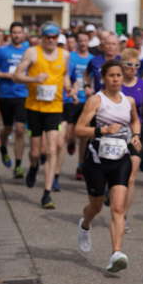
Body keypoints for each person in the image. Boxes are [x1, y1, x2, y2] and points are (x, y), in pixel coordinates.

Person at [75, 60, 141, 272]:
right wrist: (102, 131)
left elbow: (135, 120)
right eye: (111, 75)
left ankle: (116, 253)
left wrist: (136, 135)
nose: (115, 79)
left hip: (120, 157)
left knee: (118, 208)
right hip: (96, 159)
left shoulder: (128, 100)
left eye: (119, 75)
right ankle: (85, 224)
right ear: (104, 78)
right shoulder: (96, 100)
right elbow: (78, 129)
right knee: (95, 206)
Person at [14, 22, 72, 209]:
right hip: (34, 106)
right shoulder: (32, 52)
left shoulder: (65, 54)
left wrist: (70, 87)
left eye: (54, 37)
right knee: (35, 151)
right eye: (47, 36)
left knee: (52, 149)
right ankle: (32, 166)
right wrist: (33, 79)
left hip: (55, 107)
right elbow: (17, 75)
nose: (50, 40)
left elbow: (64, 76)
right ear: (42, 37)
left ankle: (47, 193)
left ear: (58, 38)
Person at [119, 48, 143, 225]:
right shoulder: (115, 83)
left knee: (131, 177)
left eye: (137, 65)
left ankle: (123, 216)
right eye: (129, 65)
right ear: (122, 65)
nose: (133, 68)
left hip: (136, 132)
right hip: (114, 133)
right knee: (114, 175)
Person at [0, 22, 28, 178]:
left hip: (22, 94)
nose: (17, 35)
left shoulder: (29, 51)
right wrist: (7, 75)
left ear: (23, 34)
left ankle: (18, 165)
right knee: (7, 128)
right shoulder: (1, 51)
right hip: (5, 94)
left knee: (20, 129)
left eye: (19, 32)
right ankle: (3, 147)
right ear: (10, 34)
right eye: (14, 32)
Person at [66, 31, 93, 180]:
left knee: (83, 135)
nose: (83, 43)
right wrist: (72, 91)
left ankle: (80, 165)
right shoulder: (71, 57)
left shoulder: (92, 59)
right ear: (77, 42)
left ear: (88, 42)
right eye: (80, 41)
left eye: (85, 41)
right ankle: (70, 142)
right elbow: (67, 77)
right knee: (70, 134)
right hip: (73, 98)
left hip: (87, 100)